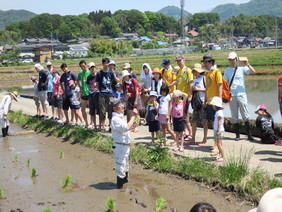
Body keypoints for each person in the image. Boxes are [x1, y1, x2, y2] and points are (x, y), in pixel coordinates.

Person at [223, 52, 255, 141]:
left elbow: (253, 72)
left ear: (236, 59)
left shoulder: (242, 68)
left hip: (241, 95)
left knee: (245, 114)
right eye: (230, 59)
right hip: (232, 96)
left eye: (233, 59)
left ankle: (249, 135)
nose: (232, 61)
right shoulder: (227, 70)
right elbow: (225, 83)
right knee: (234, 116)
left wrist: (247, 64)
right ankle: (237, 135)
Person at [110, 98, 138, 189]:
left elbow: (125, 129)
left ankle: (124, 184)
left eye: (121, 103)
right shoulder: (115, 119)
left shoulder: (119, 118)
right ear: (114, 108)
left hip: (124, 146)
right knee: (121, 167)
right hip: (120, 146)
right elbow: (125, 127)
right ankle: (120, 188)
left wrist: (132, 126)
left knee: (125, 166)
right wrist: (133, 116)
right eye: (119, 104)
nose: (122, 105)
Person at [202, 54, 222, 152]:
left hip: (215, 103)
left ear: (210, 62)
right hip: (209, 102)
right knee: (213, 124)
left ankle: (217, 145)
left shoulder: (216, 72)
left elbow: (220, 87)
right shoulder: (207, 73)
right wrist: (205, 102)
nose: (204, 64)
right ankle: (215, 144)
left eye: (206, 62)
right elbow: (207, 89)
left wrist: (219, 102)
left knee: (217, 125)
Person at [96, 58, 118, 130]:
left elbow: (115, 81)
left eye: (107, 63)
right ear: (102, 64)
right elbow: (97, 84)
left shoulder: (110, 73)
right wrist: (100, 91)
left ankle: (110, 125)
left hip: (110, 94)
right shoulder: (99, 73)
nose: (106, 65)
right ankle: (102, 125)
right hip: (102, 94)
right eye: (105, 63)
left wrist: (113, 73)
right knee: (102, 110)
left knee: (110, 109)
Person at [175, 55, 193, 141]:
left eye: (180, 60)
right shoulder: (178, 71)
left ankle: (190, 133)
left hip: (185, 96)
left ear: (184, 60)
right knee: (181, 115)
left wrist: (190, 95)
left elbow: (191, 83)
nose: (179, 62)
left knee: (185, 115)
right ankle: (185, 132)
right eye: (177, 61)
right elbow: (177, 82)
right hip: (179, 97)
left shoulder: (188, 70)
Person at [190, 63, 208, 146]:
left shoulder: (204, 78)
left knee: (204, 122)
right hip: (196, 103)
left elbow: (207, 90)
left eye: (195, 71)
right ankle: (193, 139)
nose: (194, 72)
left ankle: (205, 139)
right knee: (193, 121)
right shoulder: (195, 79)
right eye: (193, 71)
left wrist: (198, 89)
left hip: (203, 102)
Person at [210, 96, 225, 162]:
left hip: (219, 130)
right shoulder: (218, 112)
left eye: (213, 105)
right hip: (217, 129)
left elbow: (220, 122)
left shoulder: (219, 112)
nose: (212, 106)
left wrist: (218, 130)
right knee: (219, 143)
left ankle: (223, 156)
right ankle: (219, 155)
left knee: (219, 144)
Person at [77, 60, 91, 127]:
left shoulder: (90, 72)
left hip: (90, 93)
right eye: (81, 66)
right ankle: (86, 123)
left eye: (83, 66)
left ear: (86, 64)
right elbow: (77, 80)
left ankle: (92, 123)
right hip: (83, 93)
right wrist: (80, 87)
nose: (82, 67)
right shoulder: (80, 73)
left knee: (91, 109)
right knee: (83, 109)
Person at [86, 62, 99, 129]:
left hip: (98, 94)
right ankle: (95, 125)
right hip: (91, 94)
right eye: (91, 68)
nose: (92, 69)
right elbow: (88, 86)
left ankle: (100, 125)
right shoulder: (89, 77)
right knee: (92, 110)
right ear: (89, 69)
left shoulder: (98, 76)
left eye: (93, 67)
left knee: (99, 110)